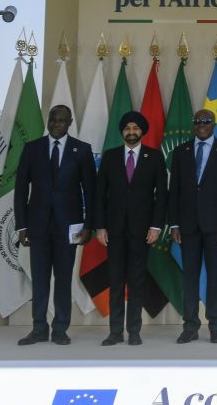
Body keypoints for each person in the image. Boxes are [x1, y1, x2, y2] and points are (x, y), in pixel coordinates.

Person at [13, 104, 97, 345]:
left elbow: (90, 191)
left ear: (70, 122)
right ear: (48, 121)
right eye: (53, 119)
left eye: (62, 120)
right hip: (37, 226)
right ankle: (39, 328)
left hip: (68, 228)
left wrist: (88, 226)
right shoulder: (32, 148)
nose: (56, 124)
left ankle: (60, 328)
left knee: (63, 280)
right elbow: (21, 189)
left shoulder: (82, 150)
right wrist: (21, 226)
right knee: (39, 280)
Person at [93, 111, 167, 346]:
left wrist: (156, 226)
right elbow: (99, 194)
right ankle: (115, 332)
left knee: (137, 281)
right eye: (127, 128)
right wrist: (100, 226)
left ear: (142, 131)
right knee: (115, 281)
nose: (131, 132)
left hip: (142, 231)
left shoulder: (154, 157)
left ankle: (134, 331)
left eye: (135, 128)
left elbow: (162, 196)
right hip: (114, 230)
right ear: (122, 132)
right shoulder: (110, 156)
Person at [169, 110, 217, 344]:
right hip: (187, 226)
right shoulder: (180, 152)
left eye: (206, 121)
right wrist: (174, 223)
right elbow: (174, 191)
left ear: (214, 124)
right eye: (198, 121)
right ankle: (190, 326)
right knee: (189, 278)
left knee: (215, 277)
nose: (201, 124)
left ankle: (216, 326)